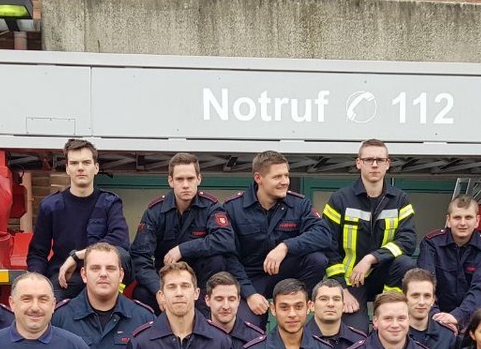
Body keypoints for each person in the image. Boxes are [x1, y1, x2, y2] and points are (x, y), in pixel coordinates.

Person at [222, 150, 333, 328]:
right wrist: (250, 294)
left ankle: (299, 303)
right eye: (277, 177)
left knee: (317, 259)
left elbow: (323, 235)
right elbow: (229, 256)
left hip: (286, 275)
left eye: (286, 175)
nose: (285, 182)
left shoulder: (299, 204)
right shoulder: (233, 208)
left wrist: (285, 247)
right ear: (258, 178)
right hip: (250, 278)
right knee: (246, 326)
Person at [322, 140, 417, 330]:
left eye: (380, 160)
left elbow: (408, 240)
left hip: (385, 277)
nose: (374, 164)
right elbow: (327, 245)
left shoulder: (400, 199)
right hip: (351, 280)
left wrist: (372, 258)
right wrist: (342, 288)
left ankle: (389, 305)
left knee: (406, 263)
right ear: (359, 163)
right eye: (369, 159)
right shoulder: (340, 199)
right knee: (355, 332)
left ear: (388, 164)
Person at [129, 153, 236, 311]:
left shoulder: (211, 207)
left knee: (217, 259)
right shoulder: (155, 212)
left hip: (200, 281)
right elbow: (140, 258)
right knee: (142, 293)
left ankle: (204, 324)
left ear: (199, 179)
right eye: (180, 179)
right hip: (166, 279)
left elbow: (225, 240)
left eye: (190, 179)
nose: (185, 185)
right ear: (170, 181)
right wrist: (159, 290)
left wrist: (183, 249)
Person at [27, 138, 130, 299]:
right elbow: (38, 252)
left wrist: (77, 256)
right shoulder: (51, 206)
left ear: (96, 168)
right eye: (74, 163)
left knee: (122, 255)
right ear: (67, 169)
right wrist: (37, 283)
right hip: (65, 278)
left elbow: (120, 240)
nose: (80, 168)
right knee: (49, 307)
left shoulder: (110, 203)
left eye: (86, 162)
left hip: (101, 276)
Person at [417, 195, 481, 330]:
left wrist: (457, 316)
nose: (462, 223)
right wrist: (438, 318)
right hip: (433, 318)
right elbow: (425, 286)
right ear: (448, 220)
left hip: (474, 319)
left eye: (468, 217)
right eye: (457, 217)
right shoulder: (431, 244)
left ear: (477, 221)